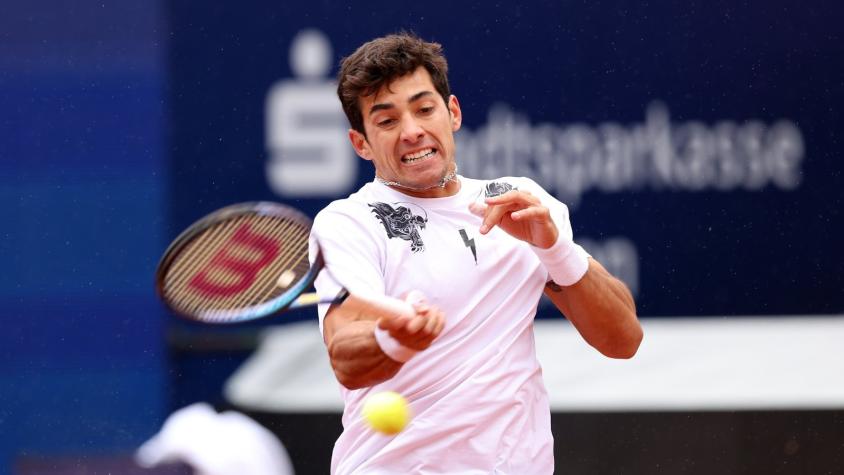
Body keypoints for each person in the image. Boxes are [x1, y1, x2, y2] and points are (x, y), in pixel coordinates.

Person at [308, 32, 643, 475]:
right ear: (361, 143)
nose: (412, 132)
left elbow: (623, 340)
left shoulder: (519, 199)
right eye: (386, 121)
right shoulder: (349, 223)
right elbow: (346, 356)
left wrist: (554, 247)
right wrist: (397, 338)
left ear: (453, 113)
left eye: (424, 109)